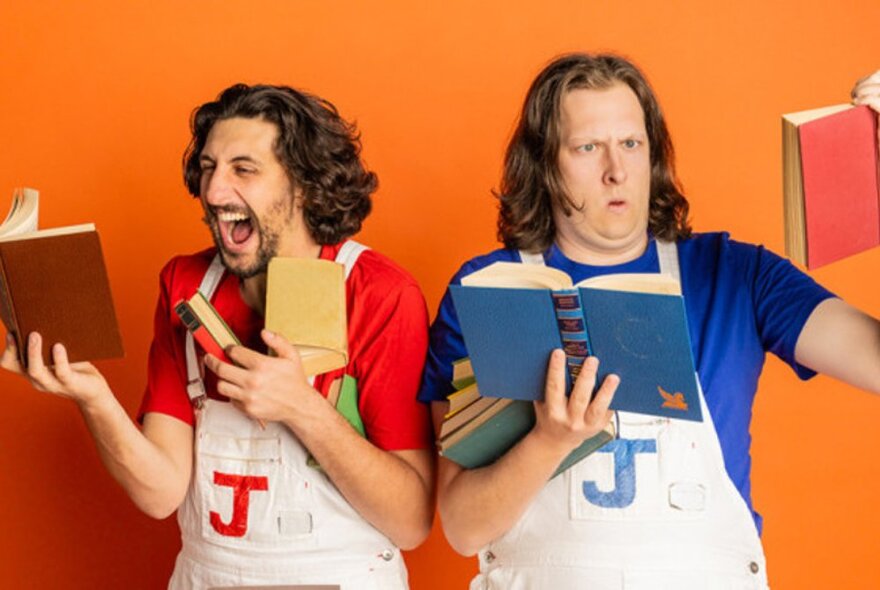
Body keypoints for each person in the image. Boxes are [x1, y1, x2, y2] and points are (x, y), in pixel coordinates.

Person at [419, 53, 880, 589]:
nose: (616, 169)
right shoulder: (489, 292)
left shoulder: (737, 275)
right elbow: (463, 528)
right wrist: (548, 441)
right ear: (544, 164)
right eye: (588, 147)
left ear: (653, 154)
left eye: (631, 144)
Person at [2, 84, 434, 589]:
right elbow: (161, 492)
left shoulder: (380, 293)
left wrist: (301, 406)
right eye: (208, 167)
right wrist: (92, 396)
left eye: (243, 169)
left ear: (304, 186)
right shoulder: (185, 285)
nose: (213, 191)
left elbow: (411, 521)